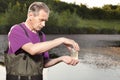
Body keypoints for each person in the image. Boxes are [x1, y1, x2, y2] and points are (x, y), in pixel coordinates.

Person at [5, 1, 80, 80]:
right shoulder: (16, 30)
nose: (44, 24)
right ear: (30, 15)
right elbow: (32, 49)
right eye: (41, 20)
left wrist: (61, 59)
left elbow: (44, 63)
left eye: (45, 21)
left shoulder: (41, 36)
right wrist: (62, 40)